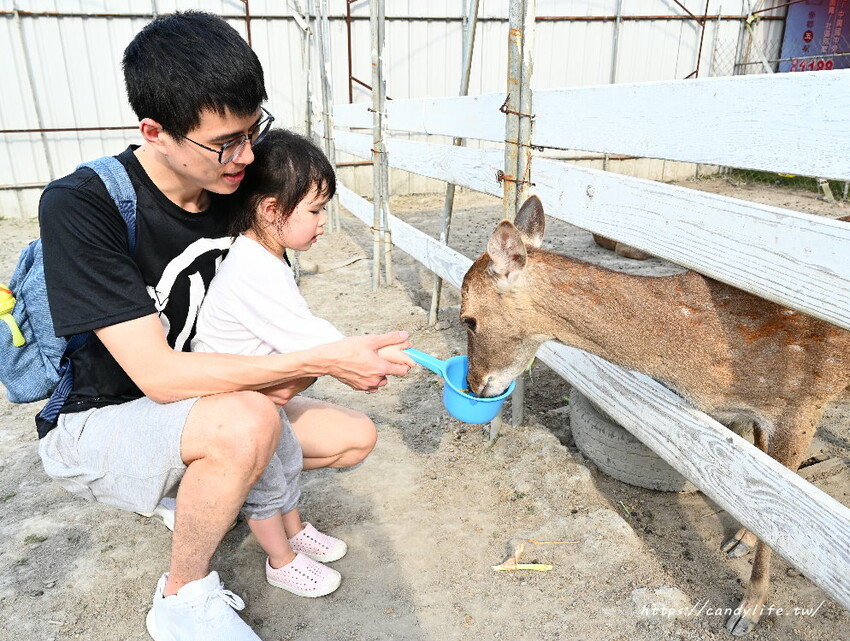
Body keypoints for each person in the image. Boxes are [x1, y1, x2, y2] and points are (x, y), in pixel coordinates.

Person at [36, 11, 412, 641]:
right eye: (225, 141)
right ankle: (182, 598)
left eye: (253, 129)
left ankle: (202, 491)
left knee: (352, 437)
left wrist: (310, 364)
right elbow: (157, 375)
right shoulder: (84, 205)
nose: (245, 155)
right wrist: (311, 363)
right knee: (249, 421)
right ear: (155, 132)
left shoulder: (236, 189)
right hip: (97, 420)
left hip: (207, 402)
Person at [190, 128, 390, 598]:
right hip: (231, 408)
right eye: (315, 210)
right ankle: (280, 559)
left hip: (258, 398)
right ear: (271, 210)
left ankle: (295, 529)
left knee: (286, 459)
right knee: (264, 479)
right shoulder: (252, 269)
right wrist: (372, 355)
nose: (322, 222)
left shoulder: (267, 256)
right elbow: (310, 338)